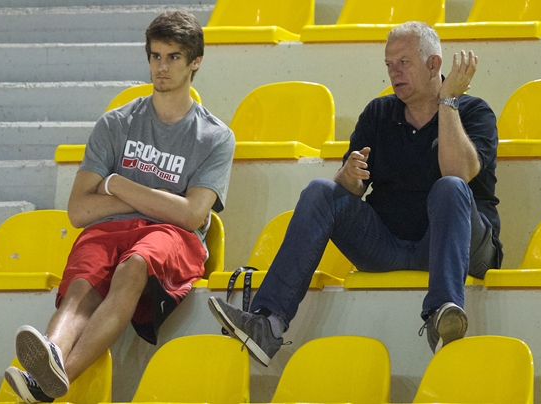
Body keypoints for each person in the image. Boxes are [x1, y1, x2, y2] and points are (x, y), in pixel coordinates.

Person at [208, 21, 502, 366]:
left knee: (449, 187)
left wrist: (448, 102)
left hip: (458, 247)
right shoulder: (379, 113)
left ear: (434, 65)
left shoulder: (474, 112)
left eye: (404, 63)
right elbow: (349, 188)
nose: (394, 73)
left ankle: (444, 314)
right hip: (388, 246)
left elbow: (459, 172)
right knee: (321, 189)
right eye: (389, 65)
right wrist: (347, 176)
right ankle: (267, 322)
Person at [4, 11, 235, 402]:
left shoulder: (215, 136)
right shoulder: (115, 124)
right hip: (111, 230)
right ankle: (52, 359)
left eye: (173, 57)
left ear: (195, 61)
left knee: (134, 266)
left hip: (173, 237)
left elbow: (193, 215)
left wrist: (116, 183)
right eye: (155, 56)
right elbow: (78, 211)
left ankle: (47, 382)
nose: (161, 67)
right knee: (80, 286)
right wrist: (160, 200)